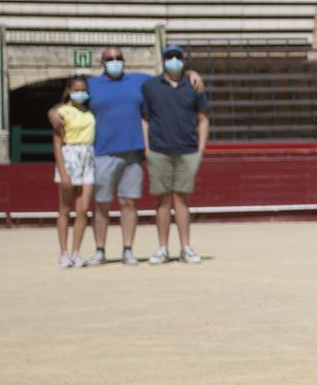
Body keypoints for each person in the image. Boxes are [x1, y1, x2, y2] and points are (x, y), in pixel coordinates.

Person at [49, 47, 205, 266]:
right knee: (101, 204)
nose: (115, 62)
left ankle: (127, 249)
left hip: (133, 151)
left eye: (119, 58)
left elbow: (168, 79)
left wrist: (191, 73)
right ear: (101, 61)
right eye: (110, 59)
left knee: (129, 202)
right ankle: (100, 249)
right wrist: (54, 110)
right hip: (102, 152)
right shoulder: (92, 84)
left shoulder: (139, 81)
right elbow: (72, 100)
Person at [140, 42, 211, 264]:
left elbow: (203, 118)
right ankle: (162, 248)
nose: (174, 60)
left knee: (182, 200)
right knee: (162, 201)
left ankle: (185, 247)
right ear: (163, 60)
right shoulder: (151, 86)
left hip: (187, 150)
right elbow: (145, 119)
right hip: (159, 150)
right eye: (169, 56)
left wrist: (200, 148)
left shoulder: (194, 86)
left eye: (177, 56)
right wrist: (147, 148)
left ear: (183, 59)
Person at [51, 76, 95, 269]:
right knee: (64, 209)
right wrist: (63, 171)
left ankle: (76, 252)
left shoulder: (88, 111)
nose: (81, 93)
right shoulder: (61, 112)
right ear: (69, 90)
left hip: (88, 156)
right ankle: (63, 252)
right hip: (70, 156)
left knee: (83, 209)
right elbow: (57, 142)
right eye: (77, 89)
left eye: (84, 89)